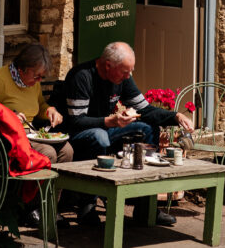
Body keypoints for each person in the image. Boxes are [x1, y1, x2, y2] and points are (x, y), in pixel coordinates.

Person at [58, 41, 193, 226]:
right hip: (76, 135)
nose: (128, 75)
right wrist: (110, 121)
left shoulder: (122, 77)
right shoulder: (81, 76)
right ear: (107, 65)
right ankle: (87, 206)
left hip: (104, 129)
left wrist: (176, 116)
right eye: (125, 72)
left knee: (147, 127)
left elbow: (144, 109)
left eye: (131, 71)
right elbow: (75, 121)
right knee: (99, 136)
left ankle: (146, 207)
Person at [0, 43, 73, 164]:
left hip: (31, 133)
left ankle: (57, 183)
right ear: (21, 69)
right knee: (48, 153)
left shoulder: (32, 82)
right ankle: (35, 183)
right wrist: (8, 117)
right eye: (37, 76)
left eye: (42, 77)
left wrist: (50, 111)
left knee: (67, 150)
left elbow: (40, 104)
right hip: (7, 136)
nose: (39, 81)